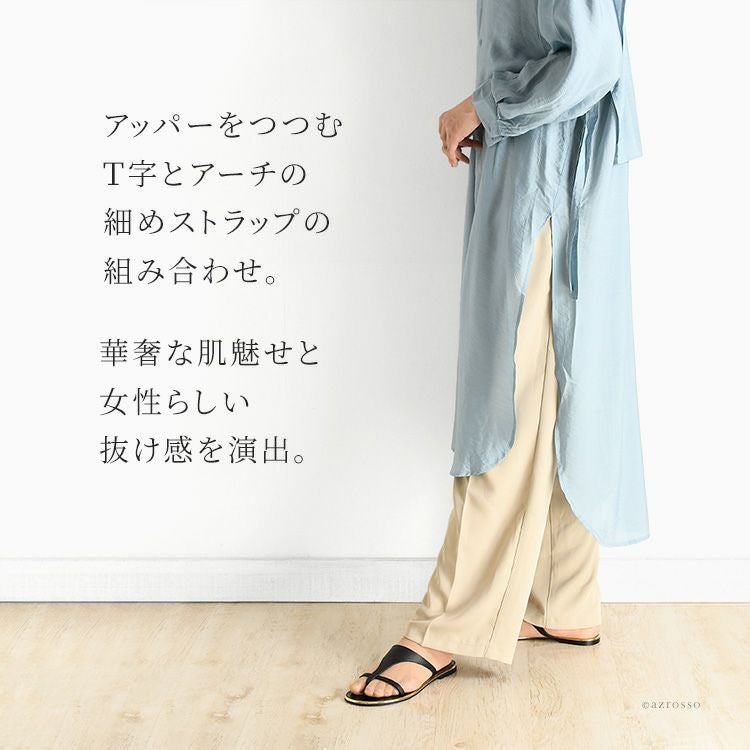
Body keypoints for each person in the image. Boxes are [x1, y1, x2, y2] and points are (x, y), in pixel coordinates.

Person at [345, 0, 650, 706]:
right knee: (563, 382)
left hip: (547, 182)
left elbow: (593, 60)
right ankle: (562, 599)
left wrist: (484, 106)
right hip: (548, 169)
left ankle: (446, 627)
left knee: (508, 397)